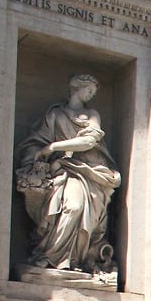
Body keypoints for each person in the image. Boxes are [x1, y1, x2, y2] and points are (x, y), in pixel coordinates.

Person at [15, 74, 122, 273]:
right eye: (88, 90)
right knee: (71, 207)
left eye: (93, 92)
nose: (91, 94)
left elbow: (89, 141)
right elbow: (36, 142)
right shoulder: (55, 115)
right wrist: (34, 159)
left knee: (76, 208)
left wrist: (53, 146)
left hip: (88, 172)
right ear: (76, 87)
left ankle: (72, 260)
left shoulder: (92, 114)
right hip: (62, 170)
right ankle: (52, 257)